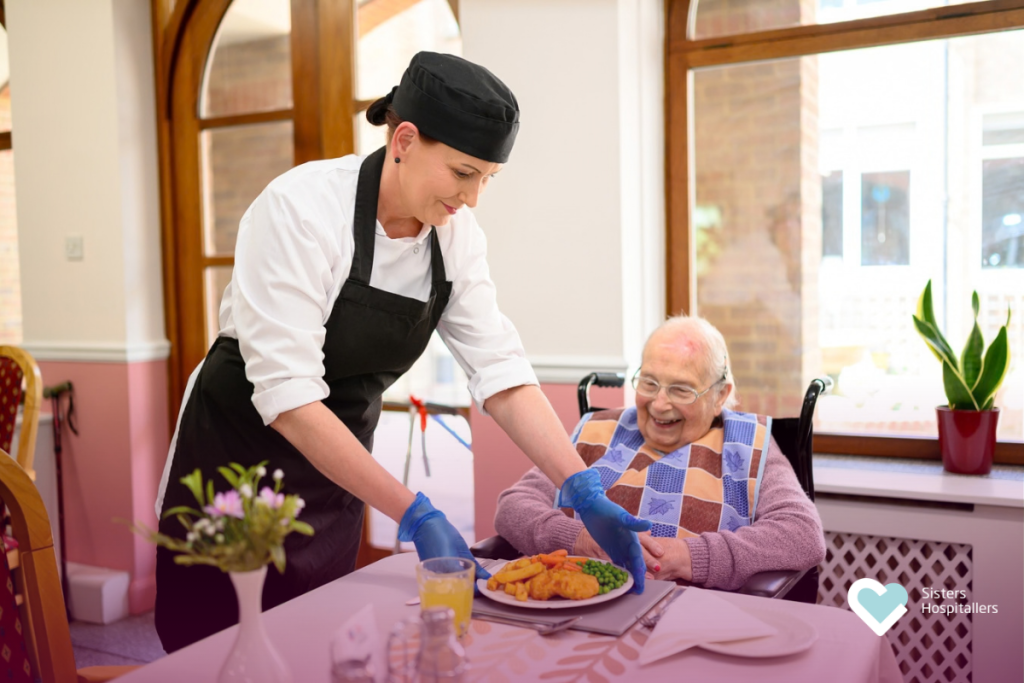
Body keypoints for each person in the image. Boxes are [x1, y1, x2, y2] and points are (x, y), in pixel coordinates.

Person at [153, 51, 650, 652]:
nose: (472, 199)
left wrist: (581, 486)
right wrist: (414, 512)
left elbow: (501, 372)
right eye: (464, 173)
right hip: (237, 458)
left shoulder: (455, 238)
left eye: (488, 178)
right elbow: (287, 397)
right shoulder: (301, 209)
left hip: (334, 469)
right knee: (219, 649)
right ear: (405, 140)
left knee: (315, 643)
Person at [494, 315, 826, 590]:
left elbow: (801, 533)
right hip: (581, 610)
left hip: (697, 622)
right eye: (649, 383)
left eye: (681, 390)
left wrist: (690, 556)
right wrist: (579, 539)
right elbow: (512, 506)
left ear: (720, 396)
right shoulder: (597, 430)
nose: (659, 403)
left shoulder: (749, 445)